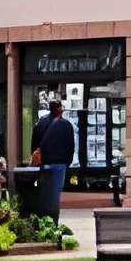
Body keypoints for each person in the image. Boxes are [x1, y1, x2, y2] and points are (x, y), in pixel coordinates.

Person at [31, 93, 80, 221]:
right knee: (55, 195)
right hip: (60, 164)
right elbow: (71, 146)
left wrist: (37, 159)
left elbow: (34, 143)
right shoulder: (66, 125)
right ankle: (53, 220)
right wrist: (68, 162)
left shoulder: (40, 123)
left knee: (44, 193)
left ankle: (43, 218)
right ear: (59, 109)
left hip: (44, 163)